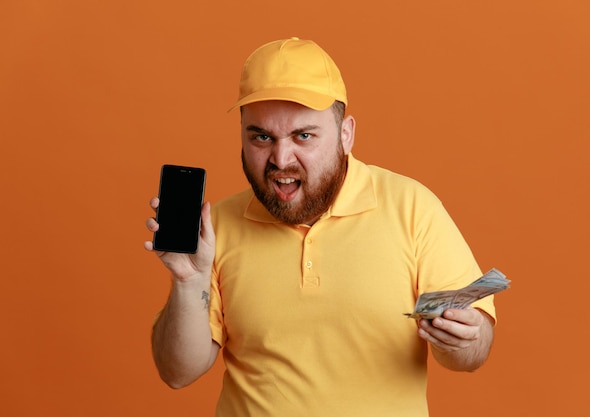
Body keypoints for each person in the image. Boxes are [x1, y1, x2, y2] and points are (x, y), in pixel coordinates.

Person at [145, 37, 497, 417]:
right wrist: (187, 282)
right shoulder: (216, 229)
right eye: (261, 137)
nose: (280, 158)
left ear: (346, 134)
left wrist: (460, 340)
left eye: (304, 136)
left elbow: (474, 354)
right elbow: (177, 373)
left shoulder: (412, 208)